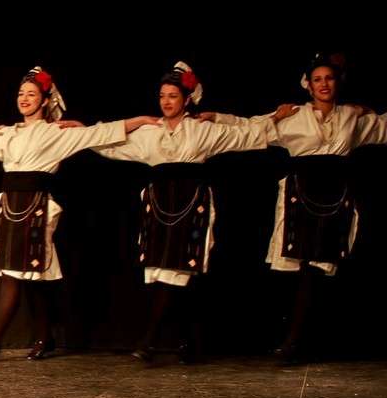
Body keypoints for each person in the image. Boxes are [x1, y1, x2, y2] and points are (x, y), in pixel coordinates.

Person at [0, 67, 160, 360]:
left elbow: (101, 132)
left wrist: (141, 120)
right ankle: (45, 337)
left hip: (36, 206)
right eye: (21, 93)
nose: (24, 99)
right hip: (10, 205)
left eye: (31, 94)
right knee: (32, 275)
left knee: (14, 271)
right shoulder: (8, 133)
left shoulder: (56, 133)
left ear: (45, 100)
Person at [93, 62, 279, 363]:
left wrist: (275, 118)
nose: (166, 102)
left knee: (178, 270)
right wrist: (84, 133)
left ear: (187, 99)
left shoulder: (201, 130)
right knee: (168, 272)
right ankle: (188, 341)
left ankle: (149, 340)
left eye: (173, 96)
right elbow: (110, 145)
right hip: (160, 205)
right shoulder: (149, 132)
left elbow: (245, 136)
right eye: (162, 96)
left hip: (191, 204)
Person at [210, 53, 387, 363]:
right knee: (302, 267)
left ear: (337, 82)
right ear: (309, 85)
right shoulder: (294, 115)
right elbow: (249, 128)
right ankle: (292, 341)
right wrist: (217, 118)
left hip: (334, 196)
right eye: (317, 79)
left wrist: (367, 110)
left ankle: (299, 341)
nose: (324, 84)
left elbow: (383, 127)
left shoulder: (351, 117)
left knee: (319, 268)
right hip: (302, 195)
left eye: (329, 78)